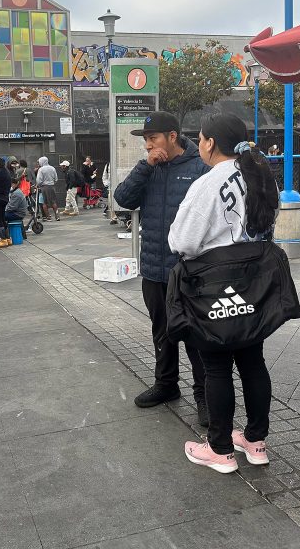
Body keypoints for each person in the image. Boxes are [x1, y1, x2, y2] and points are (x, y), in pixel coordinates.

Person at [170, 113, 279, 473]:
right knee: (252, 361)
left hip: (214, 286)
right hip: (254, 285)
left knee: (216, 367)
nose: (198, 144)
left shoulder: (208, 183)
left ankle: (219, 450)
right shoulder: (262, 177)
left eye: (200, 138)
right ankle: (256, 441)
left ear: (210, 142)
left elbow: (183, 241)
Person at [114, 111, 210, 423]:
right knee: (162, 331)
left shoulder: (199, 167)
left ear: (172, 136)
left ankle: (204, 396)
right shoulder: (149, 169)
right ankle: (166, 384)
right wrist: (145, 166)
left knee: (196, 335)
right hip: (154, 269)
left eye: (152, 138)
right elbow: (123, 199)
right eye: (145, 140)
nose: (148, 145)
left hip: (189, 272)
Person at [35, 156, 60, 221]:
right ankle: (57, 216)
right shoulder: (52, 168)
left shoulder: (41, 169)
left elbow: (39, 180)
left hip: (44, 187)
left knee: (44, 203)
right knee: (54, 202)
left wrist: (38, 185)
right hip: (52, 186)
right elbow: (56, 179)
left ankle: (48, 217)